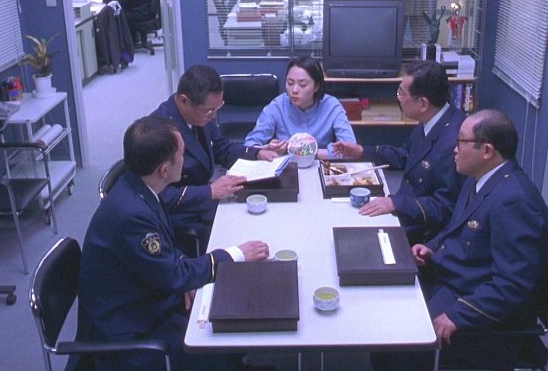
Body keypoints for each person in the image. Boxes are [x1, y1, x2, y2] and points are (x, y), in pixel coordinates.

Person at [78, 116, 271, 371]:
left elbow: (164, 255)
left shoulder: (140, 187)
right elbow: (173, 276)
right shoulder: (132, 215)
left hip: (146, 295)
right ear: (164, 170)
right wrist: (235, 254)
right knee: (225, 336)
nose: (185, 158)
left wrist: (181, 269)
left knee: (228, 314)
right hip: (131, 328)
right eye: (182, 154)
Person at [371, 109, 548, 371]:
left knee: (393, 345)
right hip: (453, 279)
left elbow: (513, 285)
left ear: (487, 150)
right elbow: (456, 229)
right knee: (382, 306)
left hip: (476, 310)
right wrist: (431, 247)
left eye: (461, 142)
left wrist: (458, 315)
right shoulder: (479, 178)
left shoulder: (516, 202)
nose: (454, 150)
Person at [332, 60, 466, 245]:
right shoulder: (433, 119)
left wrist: (396, 204)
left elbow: (445, 207)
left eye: (402, 93)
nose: (398, 98)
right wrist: (362, 151)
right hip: (405, 207)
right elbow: (406, 155)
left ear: (423, 103)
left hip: (422, 231)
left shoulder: (455, 142)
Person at [150, 65, 279, 249]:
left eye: (218, 108)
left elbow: (221, 148)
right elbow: (158, 195)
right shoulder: (158, 132)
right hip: (179, 215)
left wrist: (256, 153)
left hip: (204, 198)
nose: (214, 116)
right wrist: (210, 191)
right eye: (210, 110)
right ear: (184, 101)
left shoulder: (199, 115)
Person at [244, 56, 355, 159]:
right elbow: (249, 145)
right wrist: (265, 150)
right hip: (286, 164)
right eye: (290, 83)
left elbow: (351, 149)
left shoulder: (332, 106)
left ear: (316, 86)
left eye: (302, 85)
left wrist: (310, 153)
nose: (294, 90)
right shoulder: (277, 106)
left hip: (321, 165)